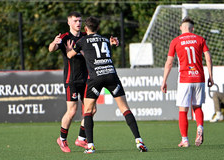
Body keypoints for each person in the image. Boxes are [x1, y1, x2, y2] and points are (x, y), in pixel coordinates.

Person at [65, 16, 148, 154]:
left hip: (95, 78)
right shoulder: (104, 39)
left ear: (86, 28)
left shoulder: (82, 41)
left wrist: (70, 49)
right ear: (98, 28)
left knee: (88, 111)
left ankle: (90, 145)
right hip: (111, 75)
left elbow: (70, 55)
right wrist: (116, 42)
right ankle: (139, 140)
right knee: (125, 108)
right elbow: (108, 46)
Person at [161, 17, 214, 148]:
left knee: (183, 110)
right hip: (199, 78)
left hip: (185, 79)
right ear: (192, 28)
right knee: (197, 107)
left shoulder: (175, 41)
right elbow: (208, 56)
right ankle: (200, 127)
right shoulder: (200, 39)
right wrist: (211, 76)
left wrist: (164, 81)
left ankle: (185, 139)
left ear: (181, 28)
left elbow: (169, 63)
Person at [48, 11, 96, 153]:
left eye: (80, 21)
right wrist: (54, 43)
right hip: (72, 80)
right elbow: (51, 49)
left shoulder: (85, 37)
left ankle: (81, 139)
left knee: (91, 110)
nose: (78, 23)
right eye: (75, 21)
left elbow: (91, 54)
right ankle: (62, 139)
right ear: (69, 22)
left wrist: (77, 51)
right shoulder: (64, 37)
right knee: (72, 111)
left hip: (86, 79)